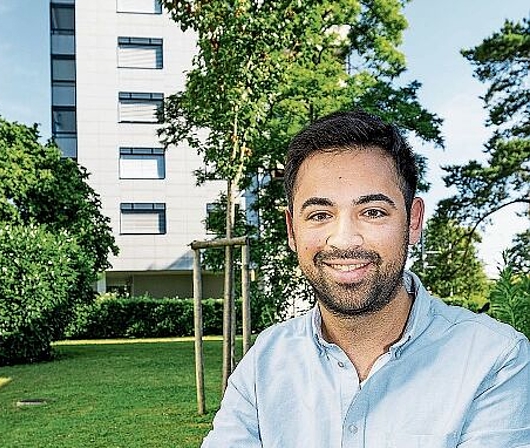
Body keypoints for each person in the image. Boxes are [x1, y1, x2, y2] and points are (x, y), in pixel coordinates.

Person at [201, 110, 530, 447]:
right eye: (319, 215)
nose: (343, 240)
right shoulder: (263, 364)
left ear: (413, 222)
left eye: (373, 212)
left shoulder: (496, 361)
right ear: (292, 230)